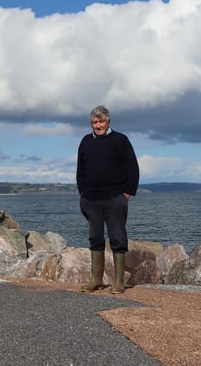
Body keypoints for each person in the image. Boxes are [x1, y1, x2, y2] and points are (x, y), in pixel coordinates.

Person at [76, 105, 139, 294]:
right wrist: (82, 192)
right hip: (91, 199)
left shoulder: (121, 140)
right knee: (95, 238)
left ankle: (118, 282)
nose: (98, 125)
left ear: (108, 121)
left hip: (115, 199)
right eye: (94, 122)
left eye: (101, 121)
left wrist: (126, 194)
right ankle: (96, 280)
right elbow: (80, 170)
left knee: (117, 238)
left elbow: (133, 169)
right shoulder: (86, 142)